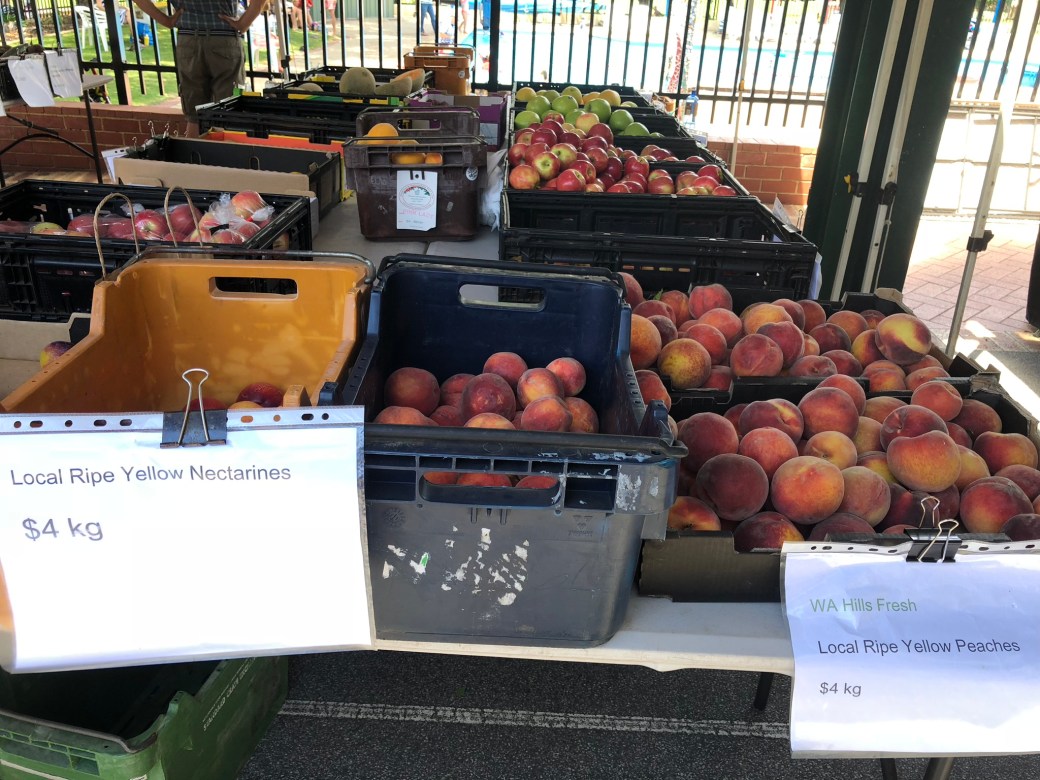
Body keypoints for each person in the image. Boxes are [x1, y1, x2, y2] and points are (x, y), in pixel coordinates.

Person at [131, 0, 266, 137]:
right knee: (230, 107)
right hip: (224, 37)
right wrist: (243, 24)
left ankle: (195, 149)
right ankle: (228, 147)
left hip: (188, 39)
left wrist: (166, 20)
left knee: (195, 114)